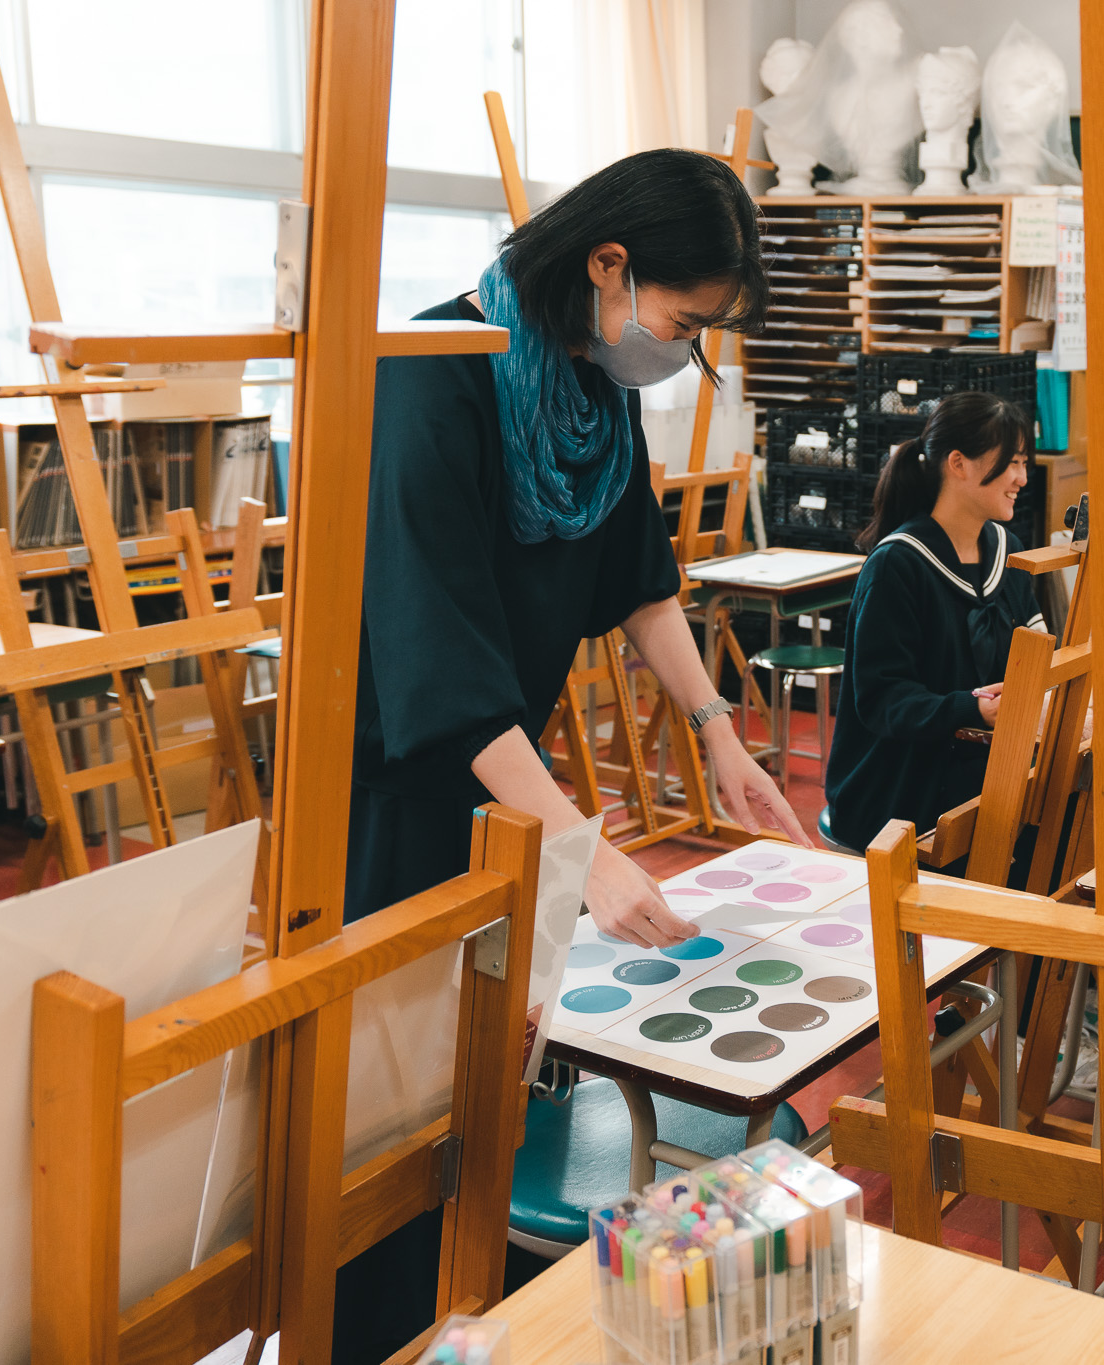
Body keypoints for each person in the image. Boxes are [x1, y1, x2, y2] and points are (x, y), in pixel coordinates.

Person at [339, 148, 810, 1360]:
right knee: (394, 1110)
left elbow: (636, 578)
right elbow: (435, 660)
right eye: (684, 322)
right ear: (608, 264)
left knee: (505, 1062)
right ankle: (387, 1331)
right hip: (398, 793)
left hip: (507, 783)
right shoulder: (431, 375)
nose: (683, 353)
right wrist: (577, 845)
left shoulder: (590, 388)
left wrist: (718, 733)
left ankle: (480, 1311)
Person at [823, 391, 1044, 856]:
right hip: (898, 789)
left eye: (1025, 462)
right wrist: (973, 709)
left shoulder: (1010, 551)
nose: (1022, 478)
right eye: (1012, 462)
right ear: (958, 464)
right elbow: (883, 699)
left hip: (982, 769)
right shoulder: (897, 565)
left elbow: (1035, 651)